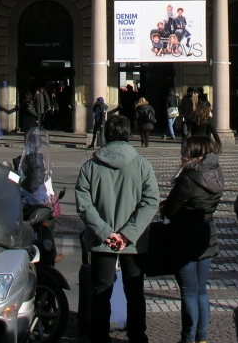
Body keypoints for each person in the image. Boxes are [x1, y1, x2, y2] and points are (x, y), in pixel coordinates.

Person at [75, 116, 159, 343]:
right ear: (128, 135)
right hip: (134, 240)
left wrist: (105, 232)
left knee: (101, 290)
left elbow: (84, 204)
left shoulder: (90, 166)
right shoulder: (142, 165)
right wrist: (128, 234)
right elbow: (151, 201)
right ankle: (137, 335)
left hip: (103, 240)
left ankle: (100, 335)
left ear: (107, 135)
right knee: (135, 291)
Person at [163, 136, 223, 343]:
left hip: (185, 236)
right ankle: (202, 338)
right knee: (201, 291)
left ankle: (188, 338)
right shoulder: (216, 172)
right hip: (206, 234)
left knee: (188, 292)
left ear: (195, 152)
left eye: (186, 150)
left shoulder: (189, 178)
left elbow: (171, 208)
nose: (182, 153)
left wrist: (165, 208)